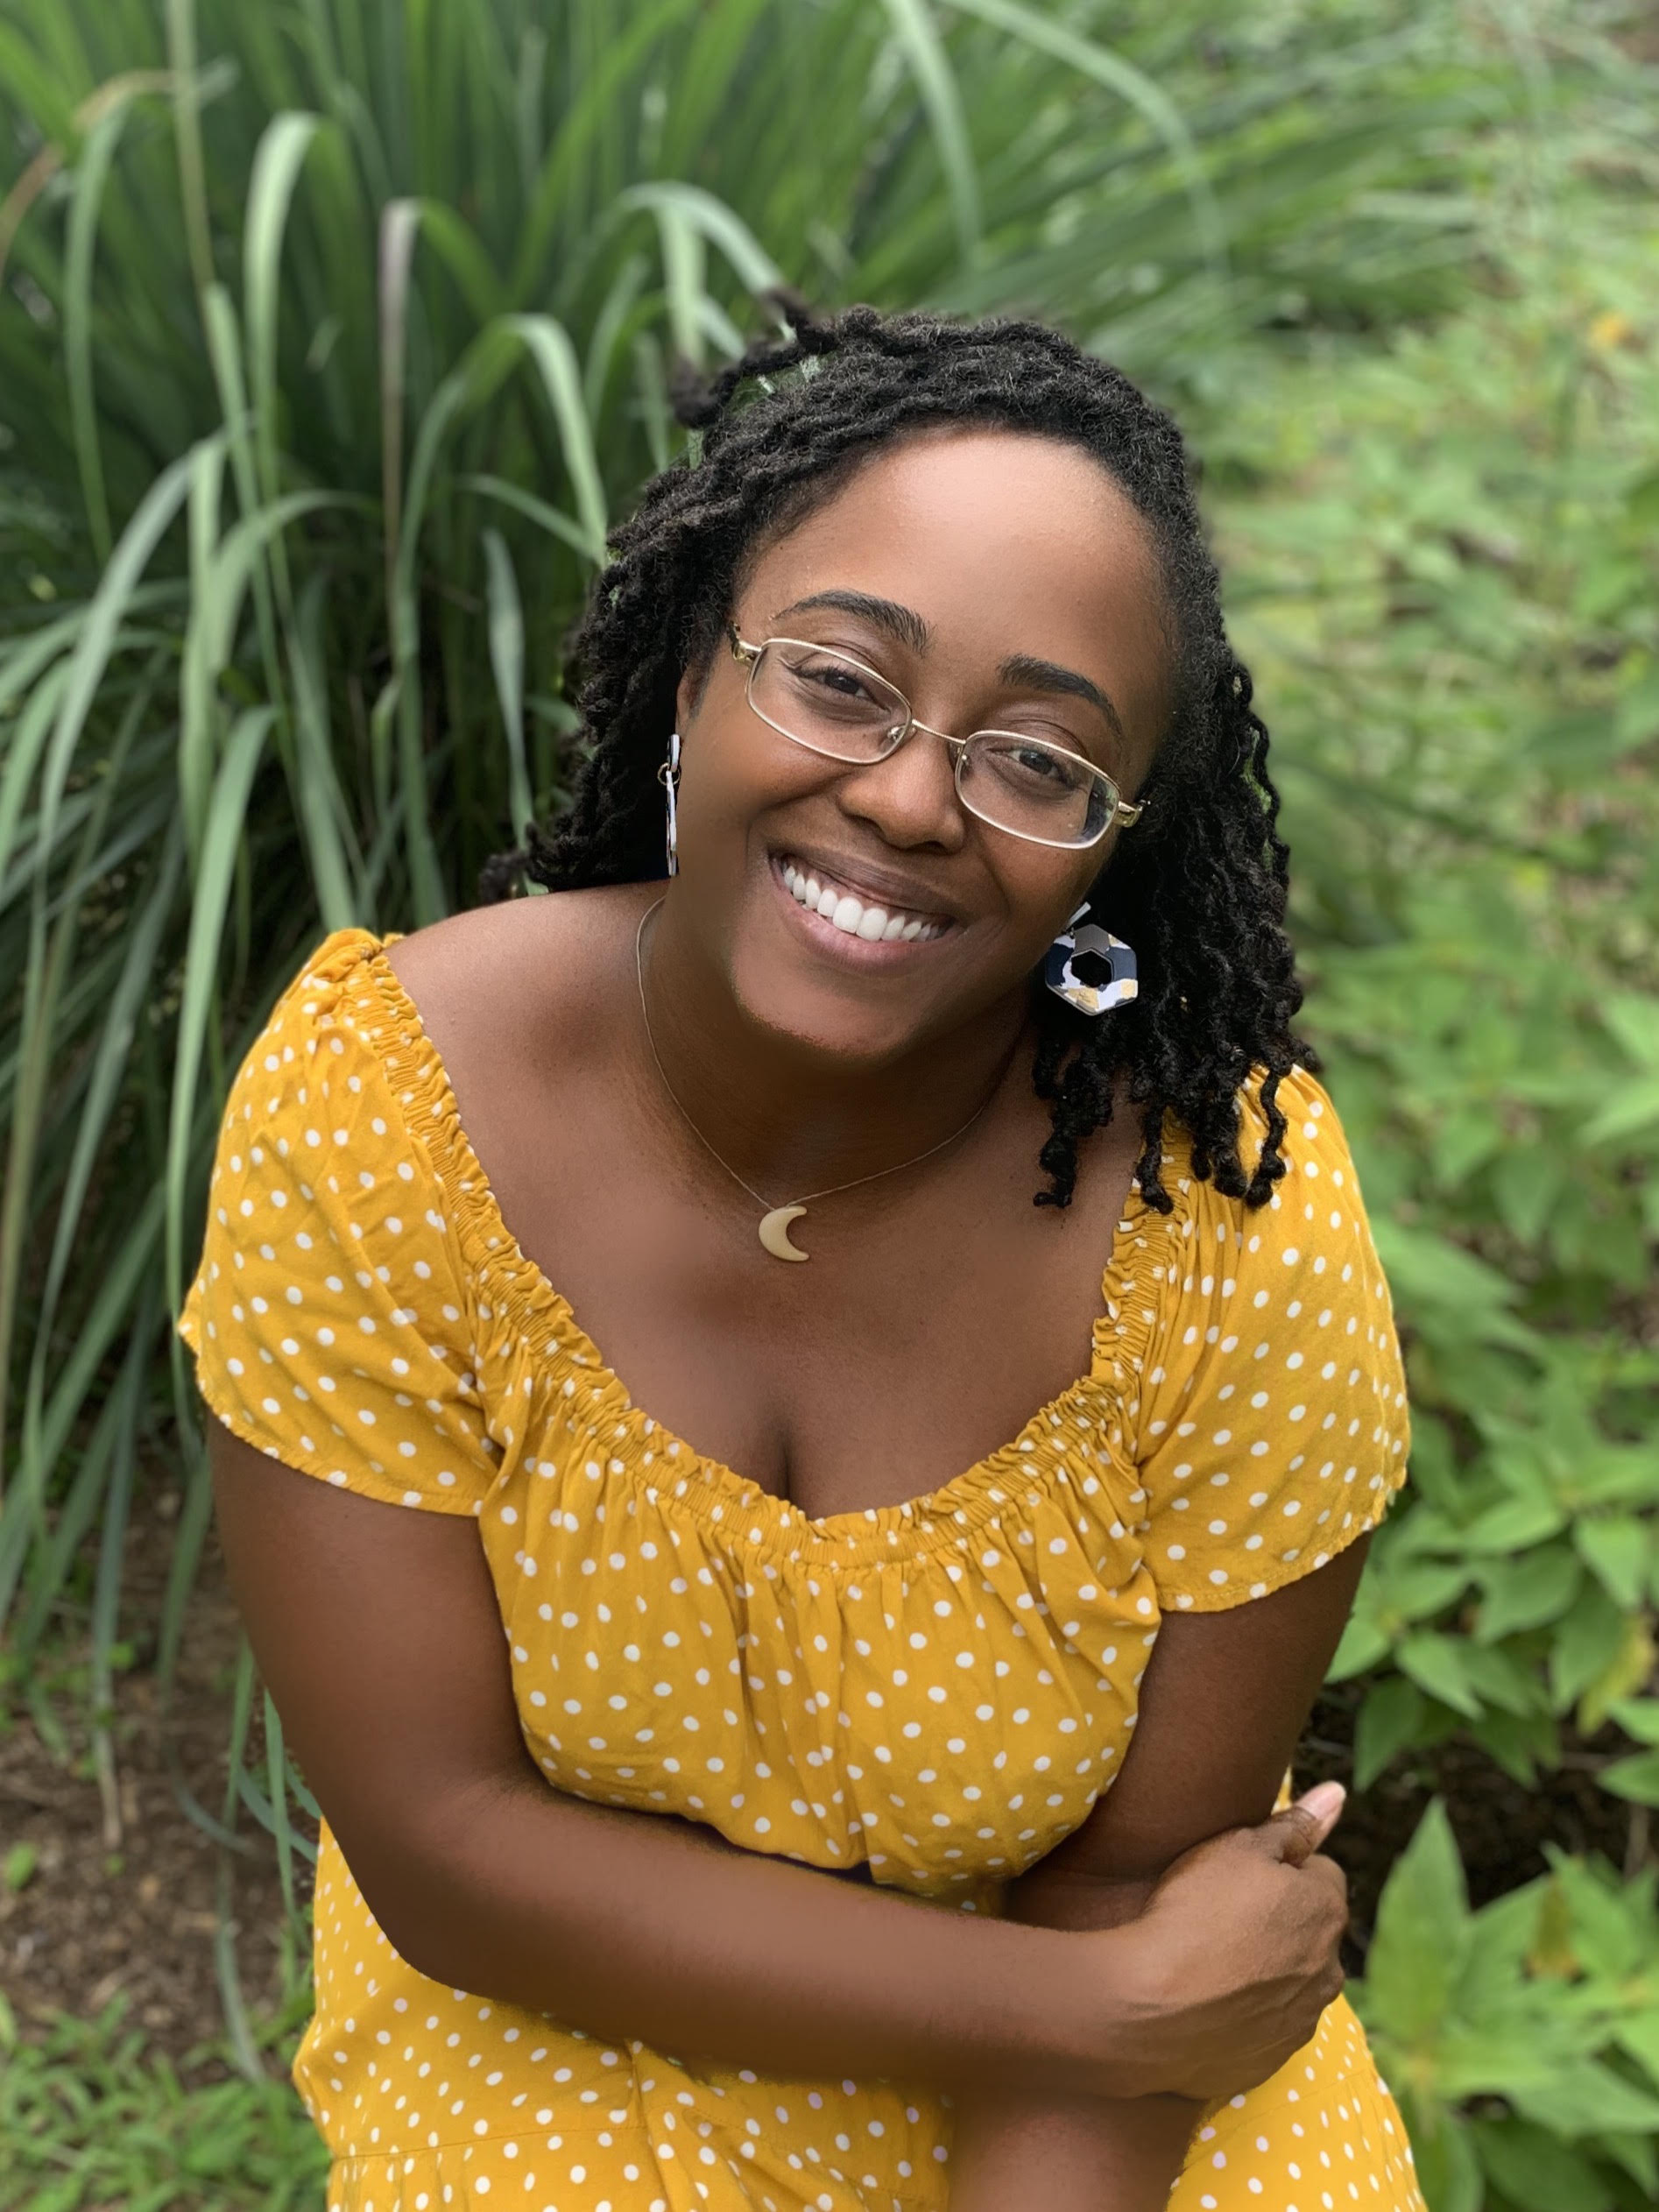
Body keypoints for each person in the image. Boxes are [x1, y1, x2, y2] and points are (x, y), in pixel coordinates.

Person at [187, 307, 1420, 2212]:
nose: (911, 798)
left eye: (1037, 760)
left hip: (1121, 2087)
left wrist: (1115, 2025)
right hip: (568, 2004)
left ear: (1110, 847)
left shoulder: (1223, 1218)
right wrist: (1096, 2013)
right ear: (696, 671)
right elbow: (445, 1846)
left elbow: (1132, 1881)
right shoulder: (386, 1108)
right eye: (841, 681)